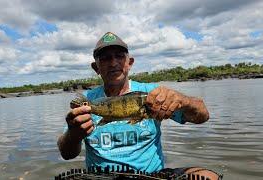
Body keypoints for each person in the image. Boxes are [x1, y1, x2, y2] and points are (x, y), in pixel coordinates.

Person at [58, 32, 218, 178]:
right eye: (105, 58)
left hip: (151, 175)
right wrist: (73, 135)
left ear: (130, 63)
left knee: (207, 176)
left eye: (119, 56)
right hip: (102, 176)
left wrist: (184, 101)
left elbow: (203, 116)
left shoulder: (153, 95)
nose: (113, 63)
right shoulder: (87, 103)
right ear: (96, 68)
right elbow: (66, 154)